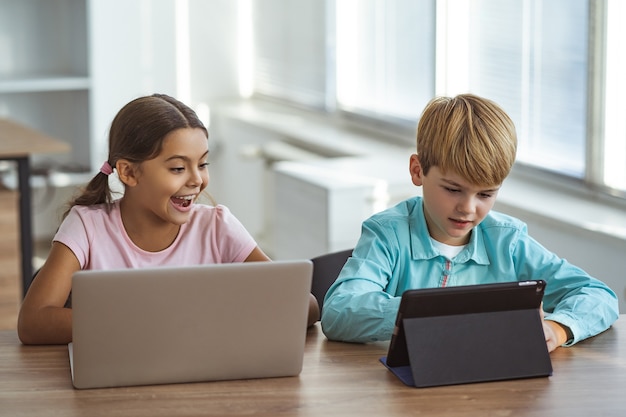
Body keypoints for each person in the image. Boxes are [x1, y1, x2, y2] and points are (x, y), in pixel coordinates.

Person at [321, 93, 619, 352]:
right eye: (452, 189)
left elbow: (598, 295)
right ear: (417, 171)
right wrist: (434, 310)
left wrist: (558, 329)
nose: (468, 208)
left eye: (486, 194)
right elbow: (338, 312)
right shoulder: (388, 234)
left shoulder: (508, 241)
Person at [18, 93, 320, 345]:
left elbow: (305, 305)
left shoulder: (216, 226)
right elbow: (33, 322)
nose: (197, 180)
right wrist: (151, 322)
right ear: (128, 172)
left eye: (202, 164)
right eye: (178, 168)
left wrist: (218, 315)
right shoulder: (87, 226)